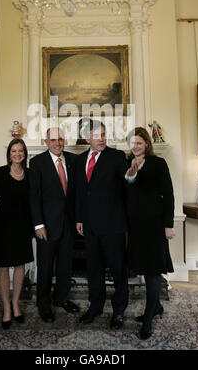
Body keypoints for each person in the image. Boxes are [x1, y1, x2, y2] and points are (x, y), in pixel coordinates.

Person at [76, 120, 129, 330]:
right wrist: (79, 218)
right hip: (89, 226)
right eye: (97, 135)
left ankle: (118, 311)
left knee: (118, 270)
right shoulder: (80, 160)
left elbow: (127, 185)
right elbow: (80, 192)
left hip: (113, 224)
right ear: (87, 138)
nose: (102, 139)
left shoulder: (117, 157)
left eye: (104, 134)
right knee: (94, 269)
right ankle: (95, 306)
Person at [125, 127, 175, 340]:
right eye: (132, 143)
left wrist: (169, 225)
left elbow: (169, 195)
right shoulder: (128, 164)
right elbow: (126, 194)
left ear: (147, 143)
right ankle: (156, 307)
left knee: (153, 270)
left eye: (139, 142)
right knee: (145, 269)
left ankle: (148, 317)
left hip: (155, 225)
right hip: (136, 226)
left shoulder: (158, 163)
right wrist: (130, 176)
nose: (135, 146)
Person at [28, 127, 80, 323]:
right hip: (46, 226)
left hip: (69, 224)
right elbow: (34, 197)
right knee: (46, 267)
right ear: (46, 142)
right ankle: (43, 304)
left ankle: (62, 299)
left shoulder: (73, 160)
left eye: (60, 139)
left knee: (66, 265)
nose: (58, 143)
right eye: (53, 140)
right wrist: (38, 224)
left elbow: (76, 193)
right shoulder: (37, 163)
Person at [0, 138, 33, 330]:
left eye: (20, 151)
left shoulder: (30, 174)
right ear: (9, 154)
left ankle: (15, 304)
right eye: (14, 151)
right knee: (3, 267)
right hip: (1, 228)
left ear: (25, 153)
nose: (17, 154)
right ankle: (6, 308)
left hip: (22, 228)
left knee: (20, 265)